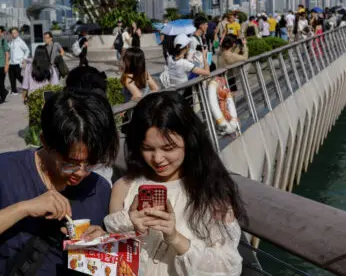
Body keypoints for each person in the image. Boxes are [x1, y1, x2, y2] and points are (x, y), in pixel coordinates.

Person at [0, 89, 119, 275]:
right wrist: (23, 209)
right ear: (45, 142)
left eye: (90, 163)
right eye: (70, 163)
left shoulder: (99, 189)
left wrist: (104, 245)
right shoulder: (2, 171)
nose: (81, 173)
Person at [104, 92, 246, 276]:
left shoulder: (211, 193)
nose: (157, 158)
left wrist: (175, 238)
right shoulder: (123, 188)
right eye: (147, 148)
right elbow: (112, 264)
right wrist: (130, 229)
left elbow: (229, 267)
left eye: (168, 148)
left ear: (189, 141)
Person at [8, 28, 30, 95]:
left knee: (19, 76)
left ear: (17, 33)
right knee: (11, 77)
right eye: (12, 33)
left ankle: (27, 86)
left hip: (18, 62)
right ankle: (14, 91)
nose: (13, 34)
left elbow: (27, 50)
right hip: (11, 62)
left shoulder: (20, 41)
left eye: (15, 32)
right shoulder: (10, 42)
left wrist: (24, 59)